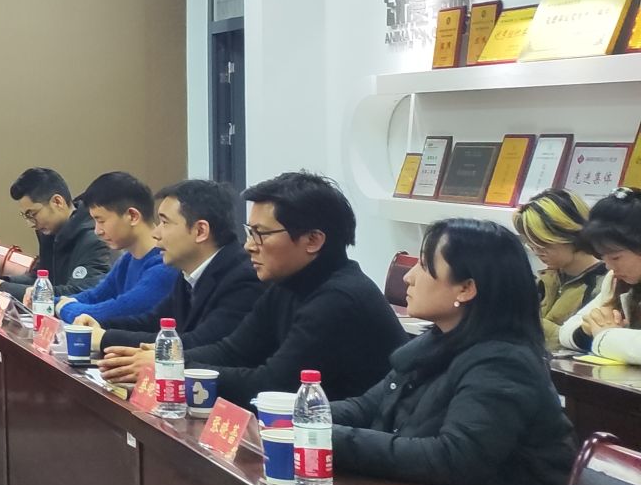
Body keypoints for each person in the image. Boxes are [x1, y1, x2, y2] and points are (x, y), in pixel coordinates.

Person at [332, 219, 577, 485]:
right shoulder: (437, 341)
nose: (408, 277)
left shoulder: (504, 362)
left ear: (466, 287)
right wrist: (294, 416)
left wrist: (327, 438)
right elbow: (366, 407)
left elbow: (454, 458)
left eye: (424, 266)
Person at [102, 171, 403, 402]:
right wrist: (169, 361)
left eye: (261, 234)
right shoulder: (286, 283)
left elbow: (271, 383)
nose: (248, 246)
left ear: (313, 240)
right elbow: (232, 350)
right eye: (249, 232)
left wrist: (173, 369)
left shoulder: (339, 299)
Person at [88, 178, 261, 352]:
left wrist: (105, 338)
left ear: (200, 231)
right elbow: (153, 322)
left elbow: (200, 342)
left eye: (165, 223)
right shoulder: (187, 275)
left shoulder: (243, 278)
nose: (156, 233)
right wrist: (99, 326)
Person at [54, 172, 178, 326]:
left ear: (132, 216)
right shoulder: (127, 259)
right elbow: (95, 297)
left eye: (101, 221)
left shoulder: (164, 266)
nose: (97, 231)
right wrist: (49, 301)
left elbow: (113, 312)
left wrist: (63, 307)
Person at [0, 165, 114, 301]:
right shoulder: (51, 234)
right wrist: (2, 282)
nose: (31, 224)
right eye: (26, 216)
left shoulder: (95, 239)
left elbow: (78, 293)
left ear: (57, 202)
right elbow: (38, 279)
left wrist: (3, 287)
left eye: (33, 214)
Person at [515, 188, 606, 350]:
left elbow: (587, 340)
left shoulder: (605, 284)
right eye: (531, 244)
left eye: (543, 243)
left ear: (569, 233)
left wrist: (518, 320)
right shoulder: (546, 279)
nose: (537, 251)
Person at [559, 187, 641, 363]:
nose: (609, 266)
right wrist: (588, 331)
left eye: (616, 257)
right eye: (602, 257)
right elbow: (566, 331)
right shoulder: (617, 281)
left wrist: (606, 335)